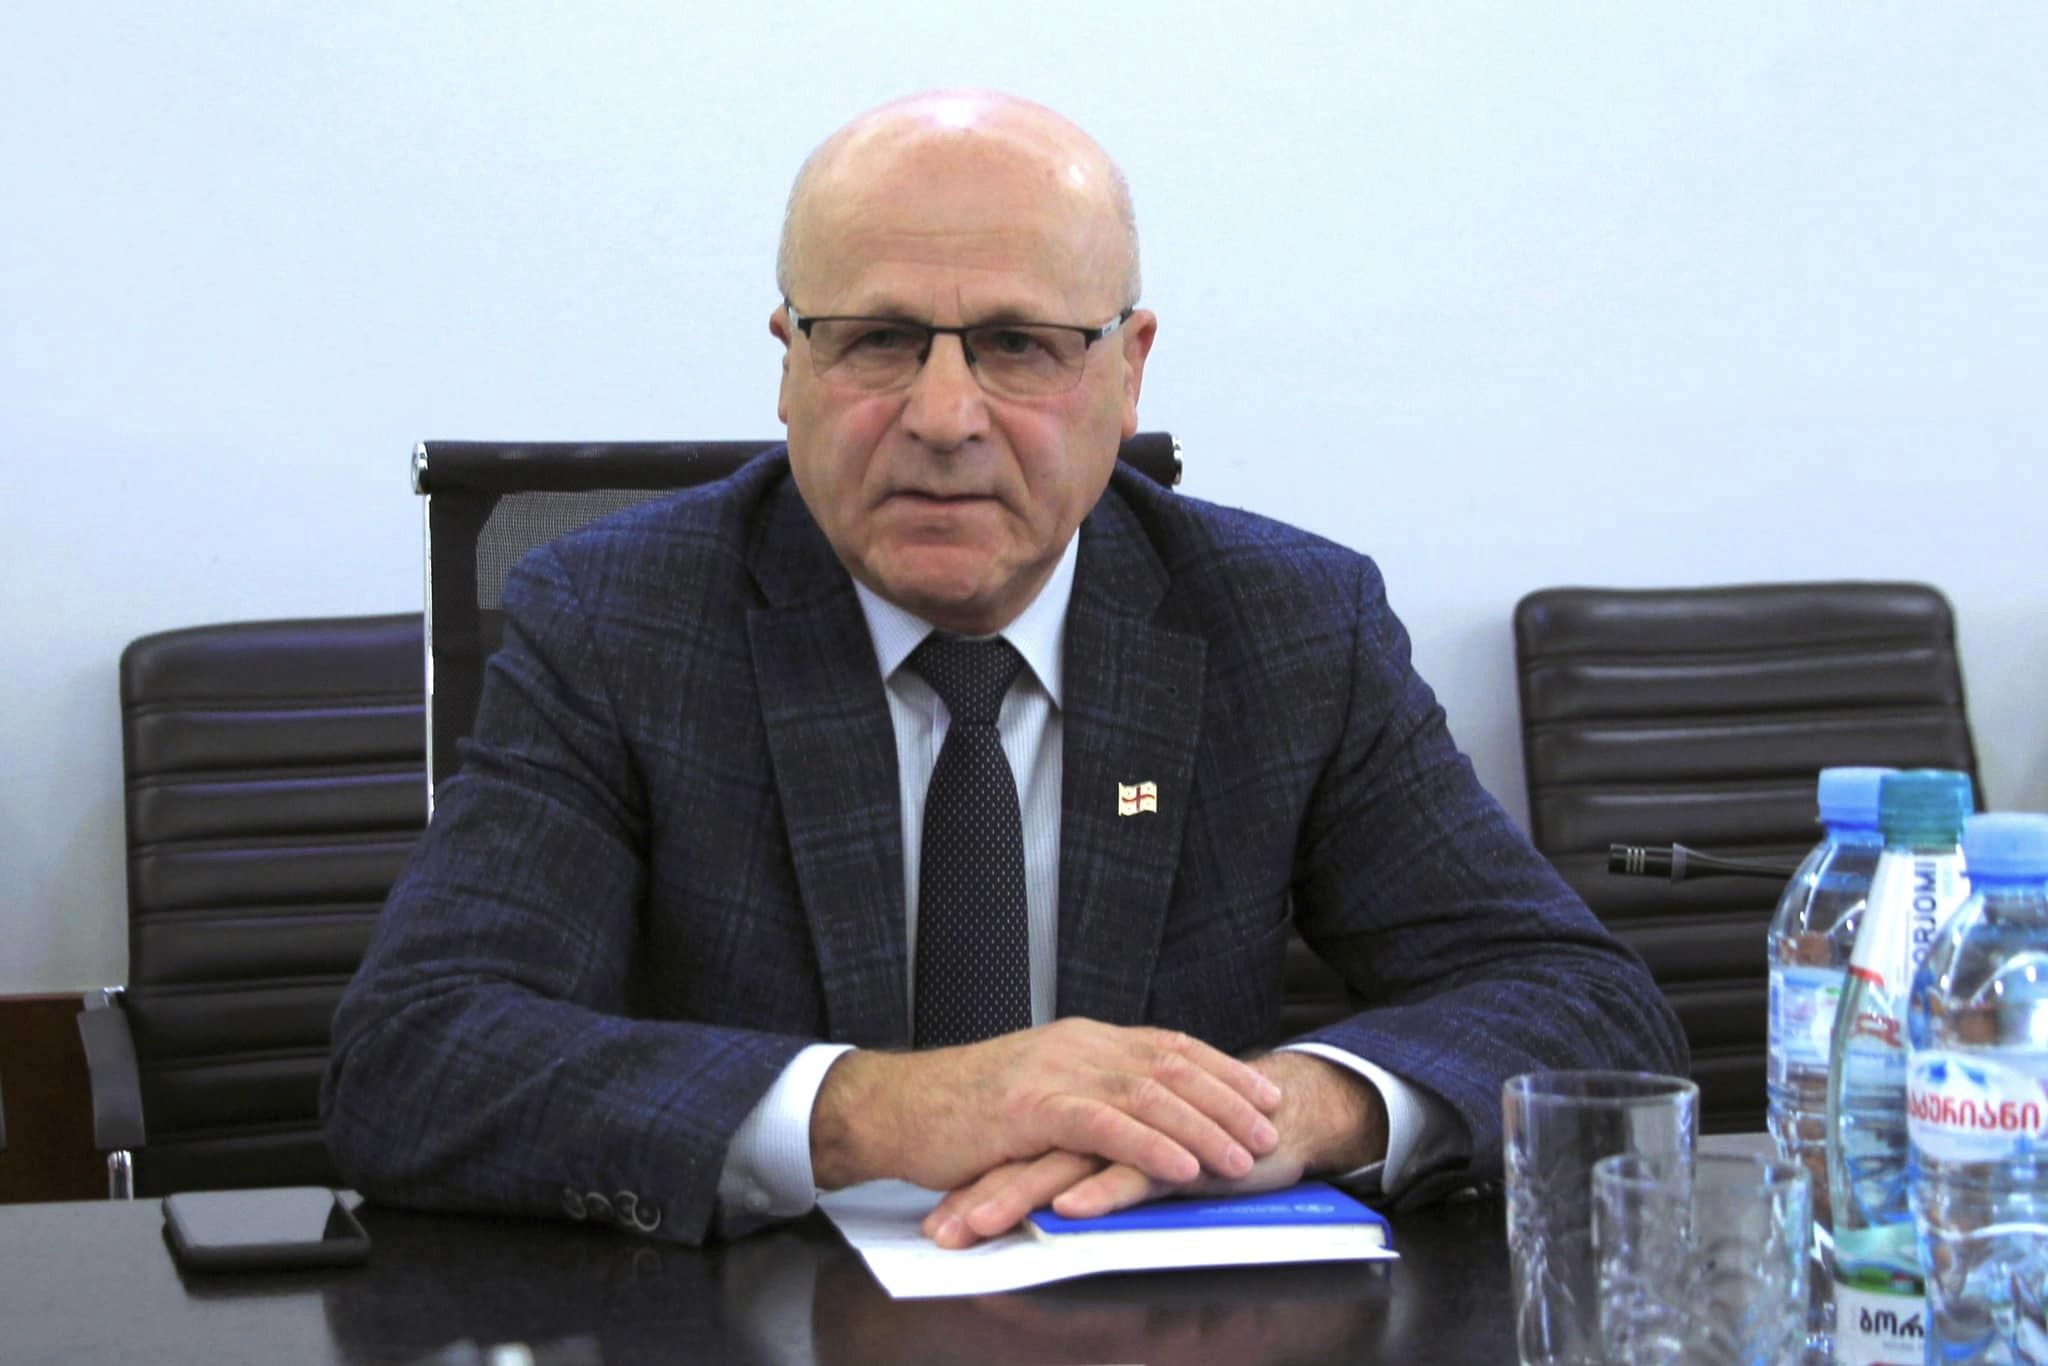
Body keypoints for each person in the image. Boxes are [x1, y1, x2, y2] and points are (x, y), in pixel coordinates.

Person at [322, 89, 1686, 1249]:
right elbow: (414, 1058)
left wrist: (1272, 1115)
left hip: (1156, 1319)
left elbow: (1590, 1009)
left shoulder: (1287, 626)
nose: (943, 415)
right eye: (878, 339)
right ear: (790, 365)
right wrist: (880, 1108)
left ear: (1129, 374)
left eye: (1020, 346)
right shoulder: (620, 624)